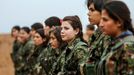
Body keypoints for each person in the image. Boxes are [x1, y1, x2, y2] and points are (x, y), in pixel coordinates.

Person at [97, 1, 134, 75]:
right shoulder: (116, 43)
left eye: (105, 20)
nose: (101, 24)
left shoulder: (129, 45)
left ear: (119, 22)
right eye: (101, 19)